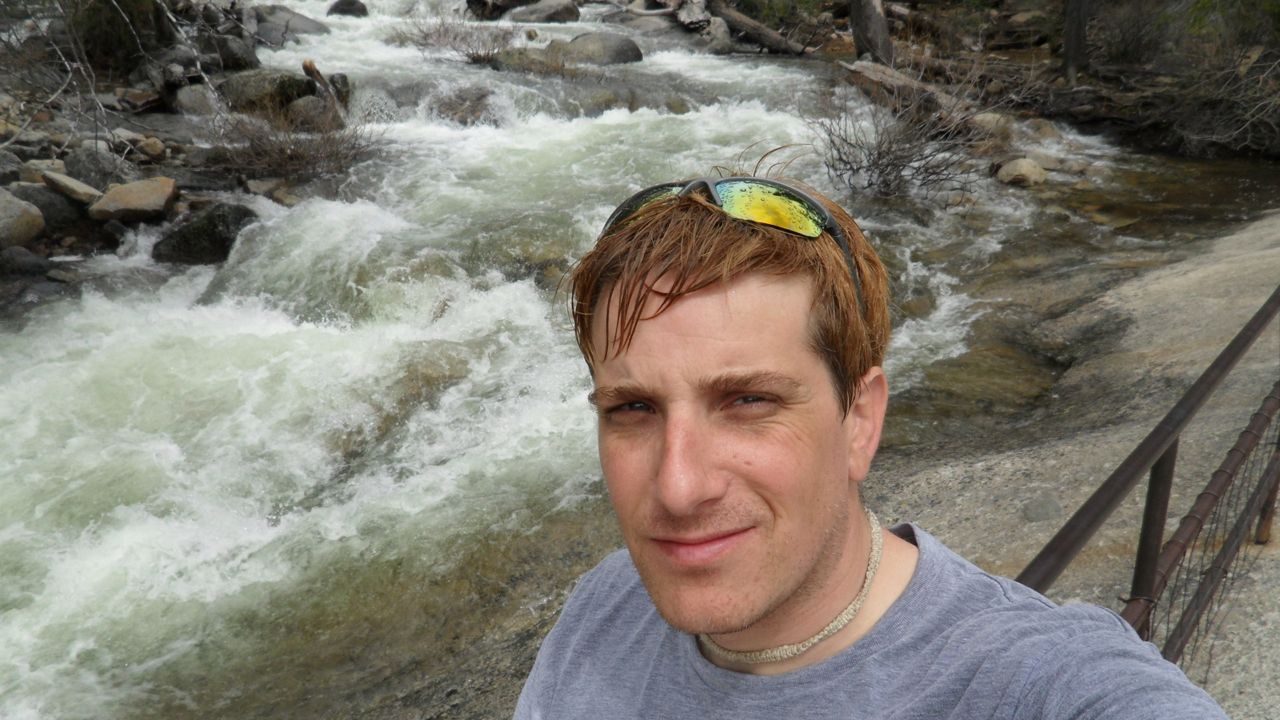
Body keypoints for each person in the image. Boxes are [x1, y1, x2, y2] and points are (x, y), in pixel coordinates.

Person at [514, 175, 1227, 718]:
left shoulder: (1031, 681)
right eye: (633, 408)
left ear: (860, 420)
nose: (677, 487)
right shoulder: (605, 605)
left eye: (748, 401)